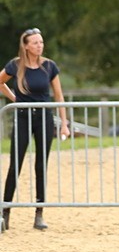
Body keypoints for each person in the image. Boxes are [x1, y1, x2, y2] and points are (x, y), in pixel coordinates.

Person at [1, 28, 71, 232]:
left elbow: (59, 96)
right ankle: (5, 213)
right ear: (26, 46)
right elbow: (1, 81)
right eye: (35, 42)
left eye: (41, 42)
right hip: (23, 117)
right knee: (16, 165)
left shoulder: (49, 66)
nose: (39, 45)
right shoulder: (15, 65)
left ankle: (39, 213)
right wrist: (14, 98)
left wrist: (64, 123)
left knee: (41, 165)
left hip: (44, 118)